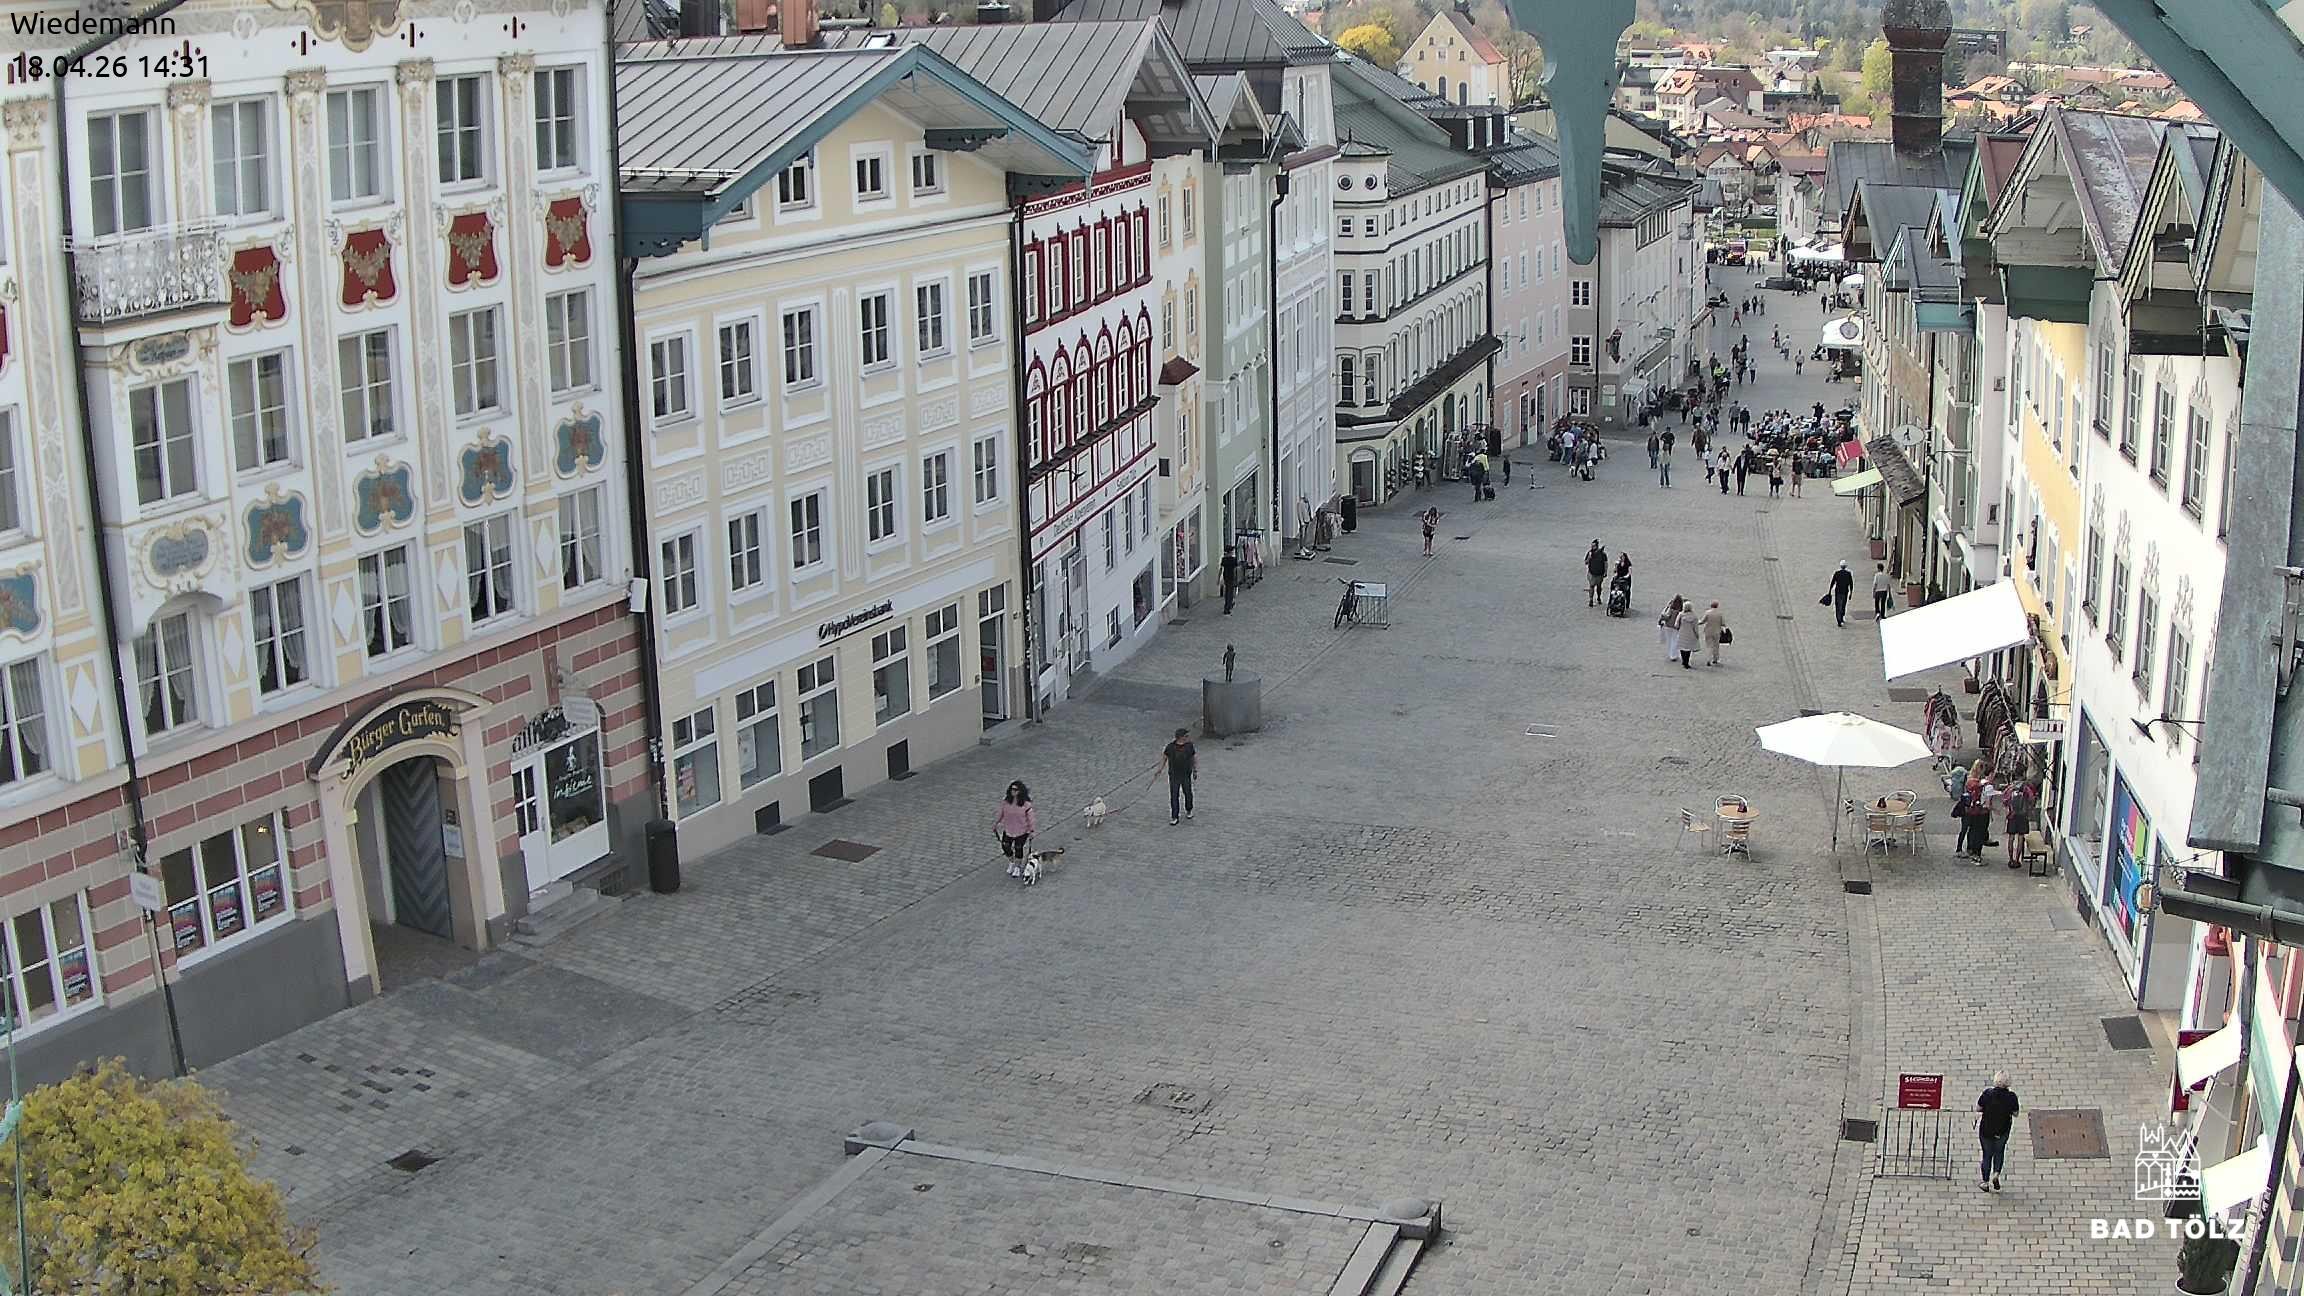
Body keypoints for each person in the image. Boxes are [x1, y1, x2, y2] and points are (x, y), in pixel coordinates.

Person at [1977, 1073, 2021, 1192]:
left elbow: (1978, 1108)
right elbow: (2016, 1113)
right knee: (1999, 1151)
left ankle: (1985, 1182)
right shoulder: (2011, 1097)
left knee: (1987, 1154)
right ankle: (1996, 1173)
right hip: (2002, 1130)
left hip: (1986, 1130)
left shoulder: (1988, 1093)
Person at [995, 781, 1037, 862]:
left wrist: (1032, 831)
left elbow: (1031, 819)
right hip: (1008, 830)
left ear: (1020, 791)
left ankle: (1017, 866)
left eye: (1015, 789)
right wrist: (995, 823)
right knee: (1005, 846)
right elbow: (1001, 813)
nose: (1013, 791)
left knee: (1018, 848)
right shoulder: (1006, 802)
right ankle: (1012, 861)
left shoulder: (1026, 805)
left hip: (1022, 831)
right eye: (1012, 789)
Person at [1163, 727, 1197, 825]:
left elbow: (1193, 757)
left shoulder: (1189, 746)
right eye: (1186, 736)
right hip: (1174, 774)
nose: (1188, 738)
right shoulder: (1170, 747)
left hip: (1186, 774)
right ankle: (1174, 816)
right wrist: (1159, 770)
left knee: (1188, 792)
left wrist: (1195, 770)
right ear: (1180, 737)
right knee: (1174, 795)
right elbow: (1164, 758)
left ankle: (1189, 809)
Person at [2004, 780, 2036, 869]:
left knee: (2011, 837)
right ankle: (2017, 859)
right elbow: (2032, 798)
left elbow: (2005, 800)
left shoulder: (2010, 787)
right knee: (2021, 837)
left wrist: (2009, 809)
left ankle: (2010, 859)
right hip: (2022, 816)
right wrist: (2029, 808)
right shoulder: (2026, 787)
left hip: (2012, 815)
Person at [1674, 596, 1702, 668]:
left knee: (1682, 648)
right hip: (1691, 634)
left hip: (1682, 633)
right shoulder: (1694, 616)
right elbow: (1695, 627)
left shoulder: (1681, 614)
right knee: (1688, 649)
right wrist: (1697, 635)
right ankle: (1686, 662)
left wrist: (1678, 628)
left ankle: (1684, 661)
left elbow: (1676, 624)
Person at [1699, 600, 1728, 666]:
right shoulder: (1720, 613)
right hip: (1717, 631)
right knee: (1716, 646)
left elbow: (1702, 621)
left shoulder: (1707, 612)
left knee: (1709, 646)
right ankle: (1715, 659)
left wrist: (1697, 622)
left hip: (1708, 631)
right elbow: (1723, 623)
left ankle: (1708, 659)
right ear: (1717, 606)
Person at [1828, 561, 1856, 626]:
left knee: (1838, 606)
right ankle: (1842, 617)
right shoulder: (1848, 574)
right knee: (1843, 605)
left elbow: (1832, 582)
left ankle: (1839, 619)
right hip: (1845, 592)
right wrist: (1851, 593)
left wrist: (1829, 590)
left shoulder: (1837, 573)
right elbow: (1851, 584)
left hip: (1838, 592)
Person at [1659, 595, 1686, 661]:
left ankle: (1670, 653)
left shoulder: (1671, 609)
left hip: (1668, 626)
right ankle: (1674, 655)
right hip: (1676, 627)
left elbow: (1666, 616)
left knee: (1669, 640)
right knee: (1675, 640)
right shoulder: (1681, 610)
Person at [1585, 540, 1609, 607]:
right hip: (1591, 573)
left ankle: (1598, 597)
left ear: (1597, 546)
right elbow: (1586, 562)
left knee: (1599, 587)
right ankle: (1591, 600)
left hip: (1600, 574)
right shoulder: (1589, 553)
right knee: (1591, 586)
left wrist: (1605, 572)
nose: (1592, 547)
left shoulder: (1603, 554)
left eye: (1594, 546)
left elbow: (1605, 563)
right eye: (1591, 546)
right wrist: (1589, 558)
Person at [1221, 546, 1240, 615]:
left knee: (1227, 591)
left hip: (1226, 577)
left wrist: (1218, 579)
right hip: (1232, 577)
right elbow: (1236, 569)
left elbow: (1221, 569)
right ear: (1230, 552)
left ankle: (1227, 605)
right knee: (1231, 592)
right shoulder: (1233, 559)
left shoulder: (1224, 559)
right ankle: (1228, 607)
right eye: (1232, 551)